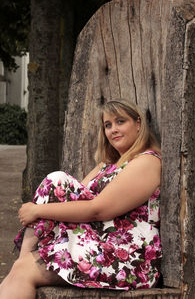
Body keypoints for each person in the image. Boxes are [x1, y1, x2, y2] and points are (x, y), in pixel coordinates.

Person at [0, 98, 162, 299]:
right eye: (108, 125)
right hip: (98, 241)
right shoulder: (107, 165)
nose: (113, 130)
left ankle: (24, 257)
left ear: (138, 124)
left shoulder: (146, 161)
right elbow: (76, 200)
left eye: (121, 122)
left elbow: (97, 209)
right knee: (21, 268)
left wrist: (37, 210)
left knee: (23, 270)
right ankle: (24, 257)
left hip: (129, 255)